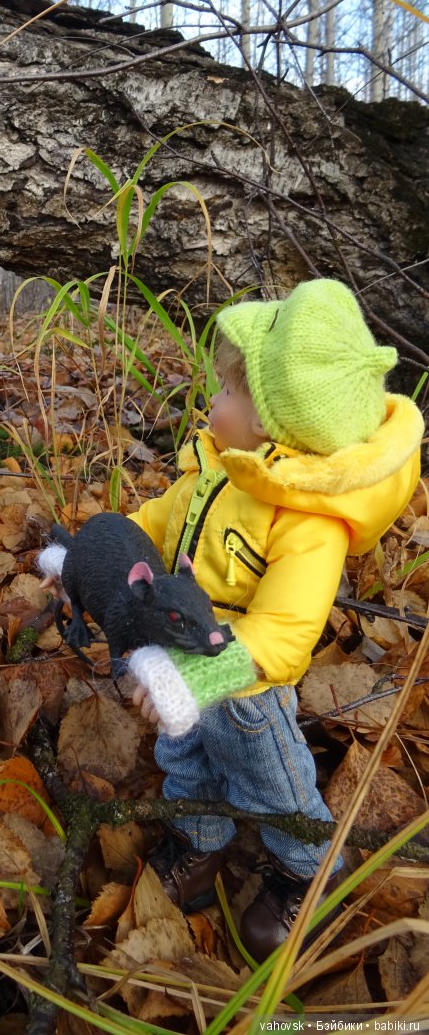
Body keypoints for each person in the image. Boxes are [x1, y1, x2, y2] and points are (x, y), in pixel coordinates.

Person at [127, 277, 424, 960]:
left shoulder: (308, 521)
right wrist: (107, 548)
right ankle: (200, 839)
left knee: (273, 786)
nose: (211, 401)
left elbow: (286, 636)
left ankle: (310, 868)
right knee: (184, 756)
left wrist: (197, 677)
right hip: (183, 651)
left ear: (266, 421)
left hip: (246, 694)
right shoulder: (220, 470)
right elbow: (161, 520)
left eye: (226, 392)